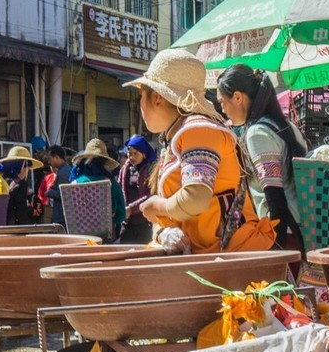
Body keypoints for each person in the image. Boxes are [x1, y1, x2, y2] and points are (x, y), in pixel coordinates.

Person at [123, 49, 275, 254]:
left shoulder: (199, 131)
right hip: (210, 260)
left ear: (157, 97)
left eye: (142, 95)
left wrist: (157, 205)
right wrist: (163, 232)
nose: (140, 103)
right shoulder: (177, 137)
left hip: (235, 258)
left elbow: (196, 199)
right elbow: (179, 213)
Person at [217, 64, 309, 255]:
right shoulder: (287, 126)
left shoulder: (257, 134)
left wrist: (277, 249)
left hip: (283, 234)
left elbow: (274, 196)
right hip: (302, 228)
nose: (223, 110)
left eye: (222, 102)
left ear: (237, 98)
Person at [70, 138, 126, 240]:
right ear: (104, 163)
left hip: (79, 237)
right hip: (105, 237)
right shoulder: (112, 183)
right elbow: (121, 214)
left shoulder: (74, 184)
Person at [117, 134, 157, 244]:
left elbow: (151, 195)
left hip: (145, 223)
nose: (132, 157)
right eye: (130, 153)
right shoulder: (125, 169)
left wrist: (131, 208)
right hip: (127, 223)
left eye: (136, 153)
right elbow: (120, 189)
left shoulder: (151, 170)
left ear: (144, 154)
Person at [0, 145, 43, 226]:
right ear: (22, 167)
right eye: (27, 168)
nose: (27, 171)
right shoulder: (20, 184)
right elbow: (21, 211)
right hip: (14, 230)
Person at [46, 145, 73, 229]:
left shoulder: (63, 173)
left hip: (62, 214)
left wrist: (49, 193)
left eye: (50, 159)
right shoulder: (66, 170)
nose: (49, 162)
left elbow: (64, 193)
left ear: (56, 157)